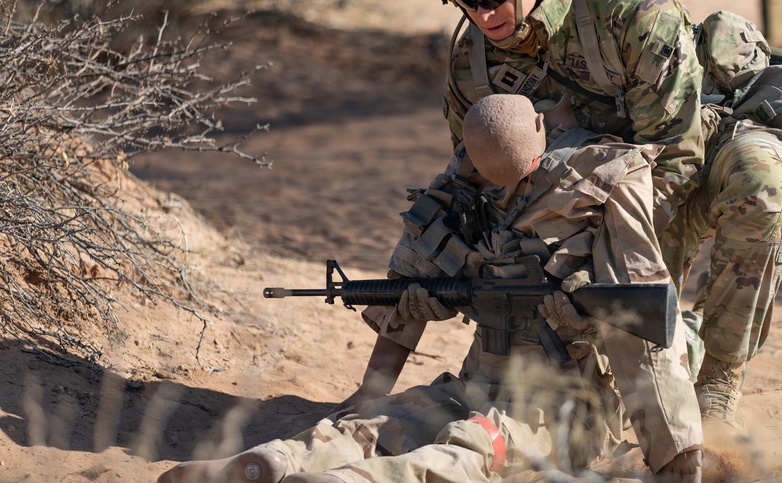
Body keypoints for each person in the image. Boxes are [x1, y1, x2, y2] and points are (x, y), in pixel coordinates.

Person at [156, 93, 703, 483]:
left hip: (491, 388)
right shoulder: (593, 180)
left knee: (389, 421)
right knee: (472, 444)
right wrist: (675, 454)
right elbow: (647, 352)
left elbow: (640, 321)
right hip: (549, 407)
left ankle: (281, 460)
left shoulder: (469, 188)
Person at [431, 0, 782, 446]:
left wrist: (618, 259)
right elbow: (483, 179)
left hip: (682, 171)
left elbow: (676, 155)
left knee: (762, 177)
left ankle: (720, 383)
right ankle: (678, 343)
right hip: (580, 208)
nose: (482, 14)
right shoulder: (473, 62)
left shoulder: (631, 9)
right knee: (596, 406)